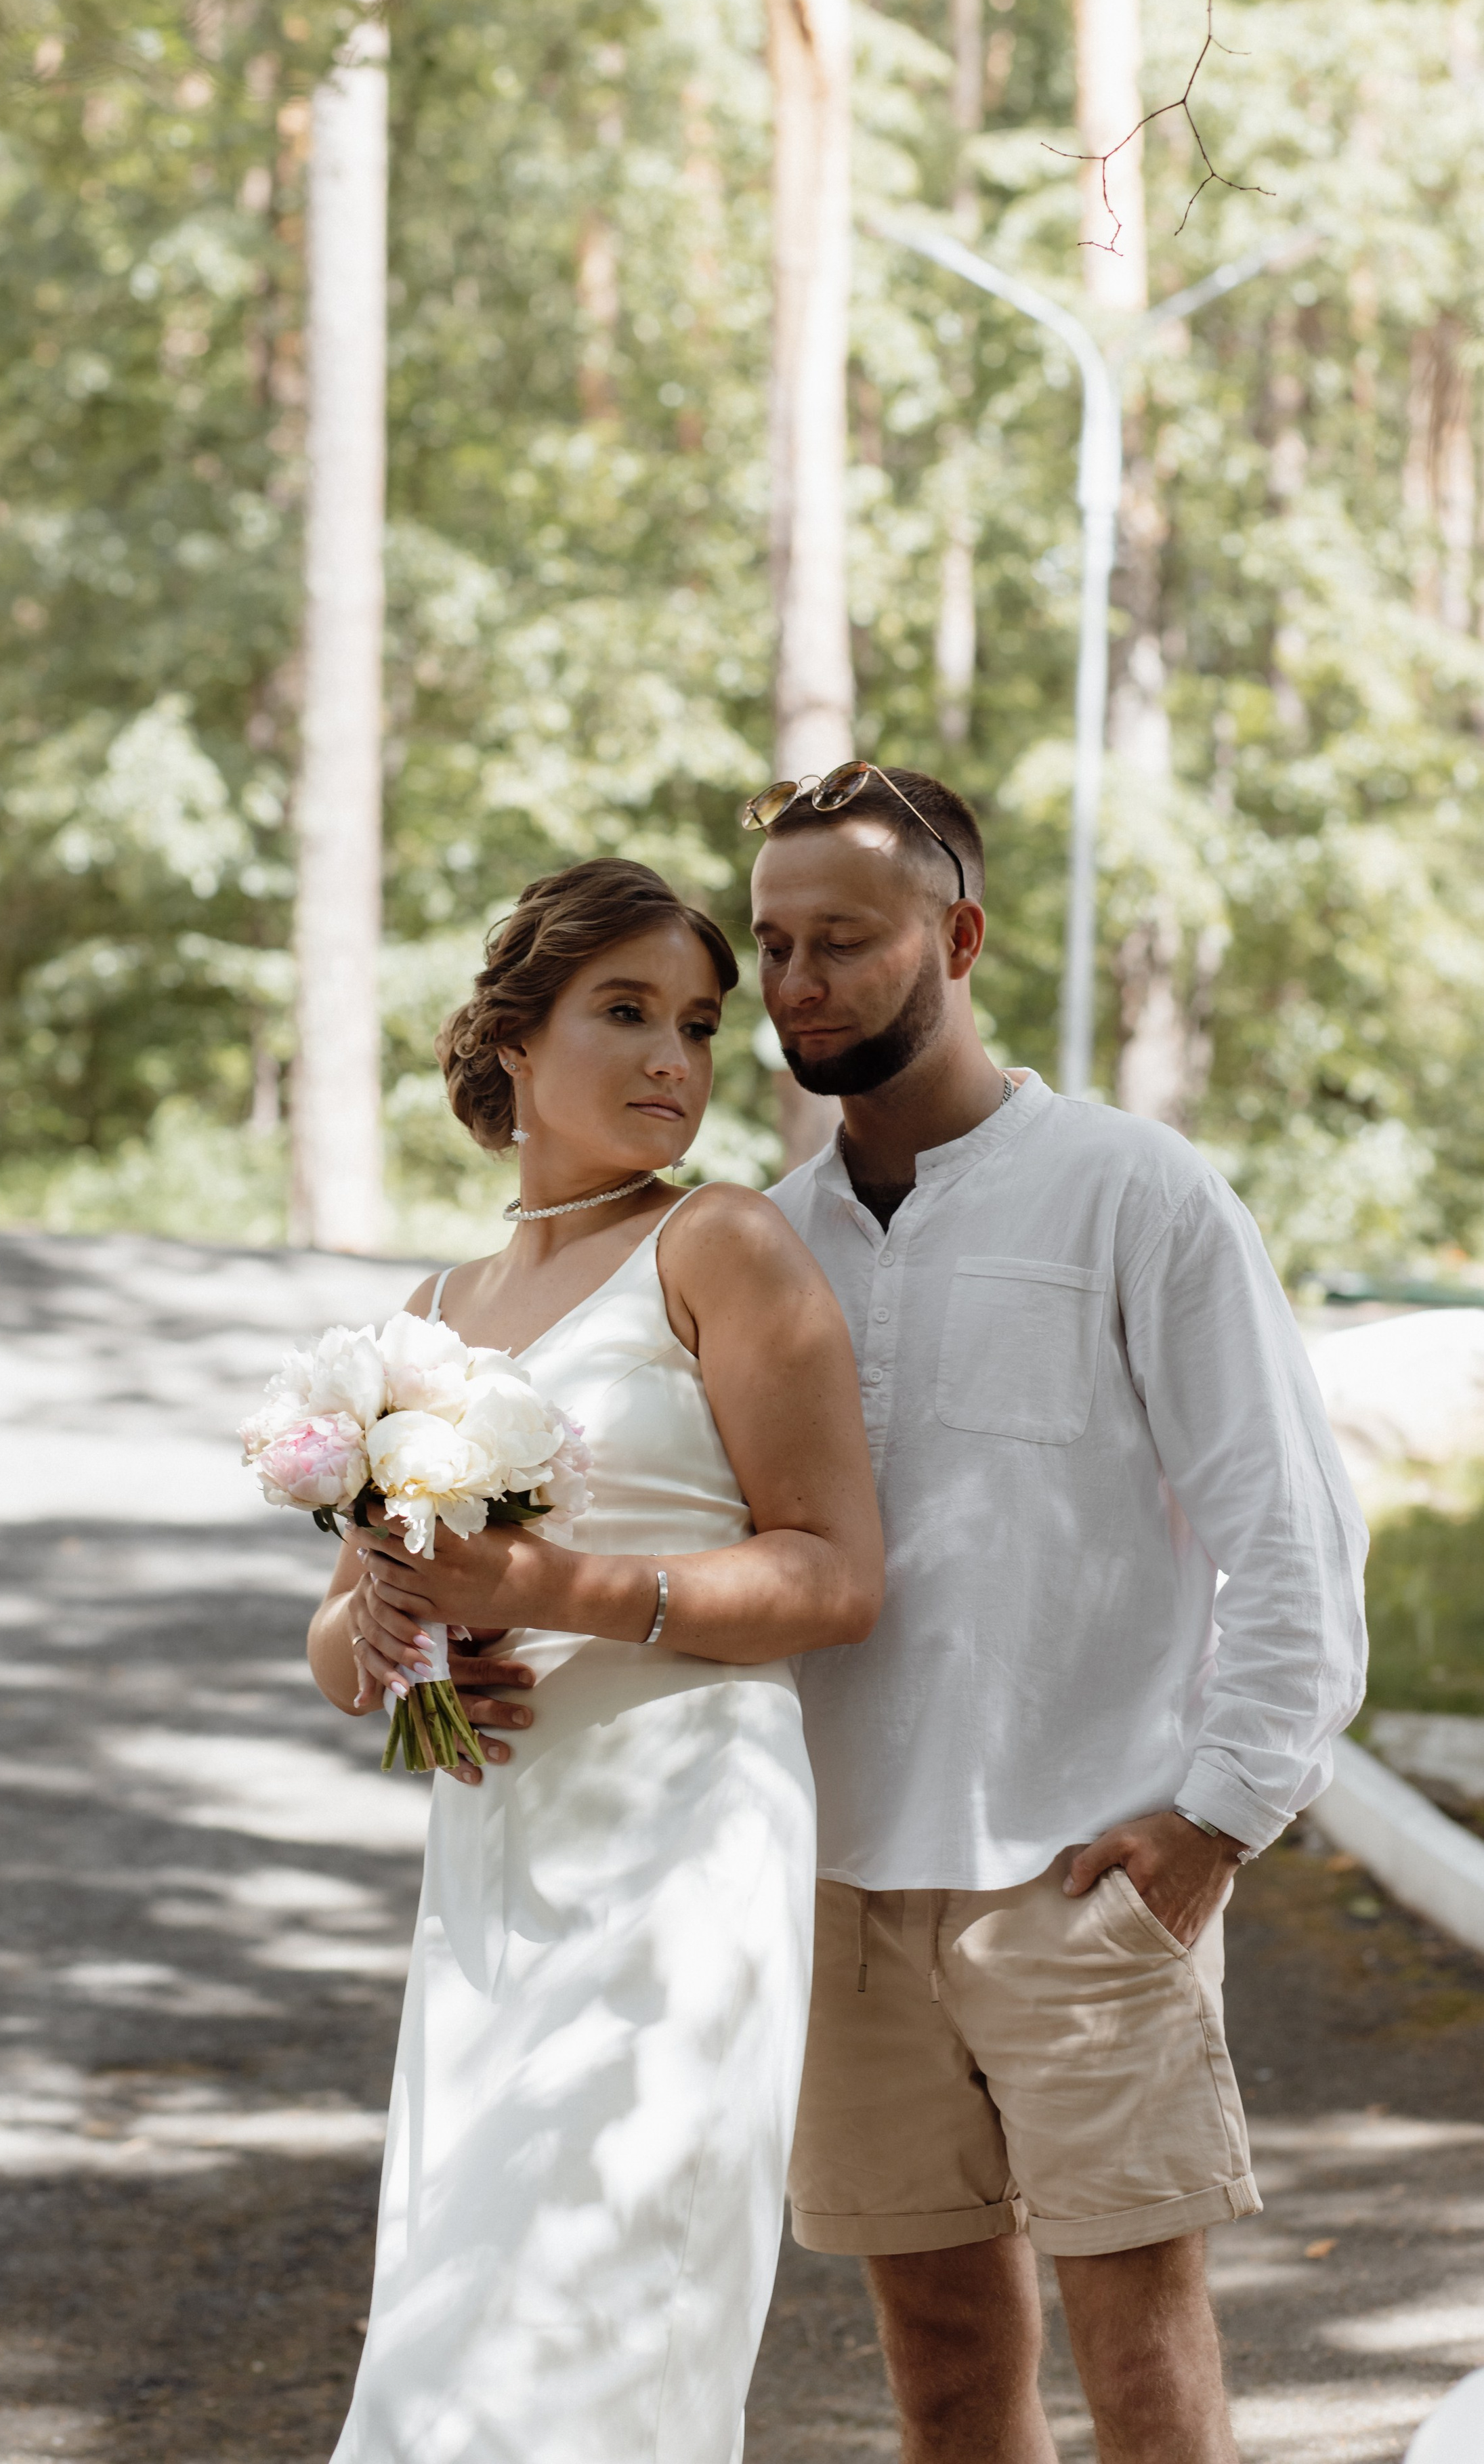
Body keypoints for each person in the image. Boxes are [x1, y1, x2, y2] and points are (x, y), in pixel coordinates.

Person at [747, 763, 1368, 2464]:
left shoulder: (1131, 1192)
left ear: (953, 935)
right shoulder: (758, 1245)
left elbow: (1289, 1530)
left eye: (845, 940)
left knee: (1142, 2358)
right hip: (840, 1881)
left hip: (1084, 1866)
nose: (799, 980)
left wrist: (1216, 1820)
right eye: (775, 943)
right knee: (940, 2358)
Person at [308, 856, 885, 2464]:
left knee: (592, 2298)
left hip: (685, 1825)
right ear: (508, 1040)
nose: (673, 1061)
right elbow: (346, 1643)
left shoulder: (721, 1243)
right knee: (460, 2284)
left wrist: (559, 1584)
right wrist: (387, 1629)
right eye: (623, 1011)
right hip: (498, 1845)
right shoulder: (428, 1316)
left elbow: (835, 1574)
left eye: (698, 1024)